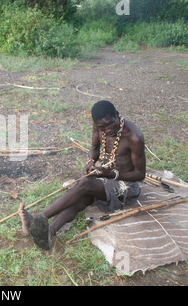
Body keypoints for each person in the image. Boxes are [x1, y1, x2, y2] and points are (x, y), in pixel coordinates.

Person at [19, 100, 146, 250]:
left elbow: (140, 174)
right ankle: (49, 232)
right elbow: (94, 148)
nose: (107, 130)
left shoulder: (134, 137)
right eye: (102, 127)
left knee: (85, 184)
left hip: (125, 187)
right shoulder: (99, 126)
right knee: (81, 198)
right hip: (104, 177)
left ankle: (39, 218)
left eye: (110, 123)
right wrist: (91, 162)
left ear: (117, 115)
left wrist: (110, 174)